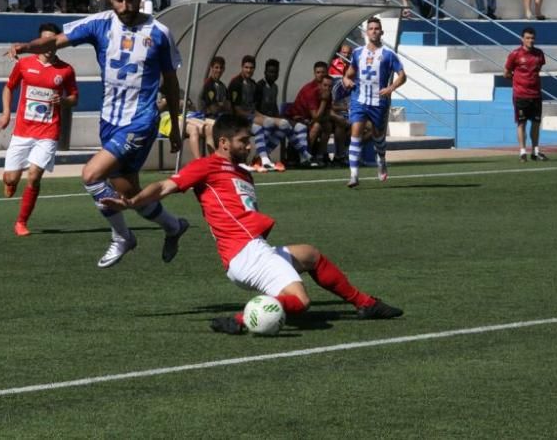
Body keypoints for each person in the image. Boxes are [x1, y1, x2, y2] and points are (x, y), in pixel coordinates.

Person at [104, 113, 404, 334]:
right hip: (246, 254)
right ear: (223, 142)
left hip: (253, 249)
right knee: (301, 301)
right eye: (243, 141)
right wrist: (133, 202)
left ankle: (364, 303)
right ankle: (242, 319)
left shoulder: (241, 171)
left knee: (310, 255)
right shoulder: (207, 166)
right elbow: (164, 187)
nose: (249, 146)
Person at [6, 0, 190, 269]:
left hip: (141, 120)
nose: (125, 6)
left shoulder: (159, 33)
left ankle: (122, 237)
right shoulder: (99, 23)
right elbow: (56, 42)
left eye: (131, 0)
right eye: (119, 0)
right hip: (110, 121)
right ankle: (173, 226)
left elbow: (170, 81)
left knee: (91, 175)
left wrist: (174, 126)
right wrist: (26, 47)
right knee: (130, 193)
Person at [0, 23, 79, 236]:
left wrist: (62, 100)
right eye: (45, 41)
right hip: (23, 131)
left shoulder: (66, 70)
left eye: (53, 41)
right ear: (38, 42)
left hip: (48, 132)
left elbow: (74, 98)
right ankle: (10, 182)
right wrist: (6, 113)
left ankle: (21, 222)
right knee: (11, 178)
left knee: (34, 176)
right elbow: (9, 87)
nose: (49, 46)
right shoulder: (25, 65)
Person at [340, 17, 407, 188]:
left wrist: (390, 88)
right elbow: (349, 74)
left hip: (379, 101)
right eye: (371, 28)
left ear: (382, 32)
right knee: (356, 131)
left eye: (377, 28)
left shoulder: (388, 54)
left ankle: (381, 158)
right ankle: (354, 175)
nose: (374, 31)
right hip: (359, 99)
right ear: (366, 32)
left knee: (378, 137)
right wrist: (346, 81)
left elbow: (402, 76)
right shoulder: (357, 53)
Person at [503, 27, 548, 163]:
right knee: (521, 123)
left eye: (532, 38)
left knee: (536, 123)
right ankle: (522, 152)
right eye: (527, 38)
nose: (530, 40)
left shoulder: (539, 54)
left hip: (536, 94)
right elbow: (506, 72)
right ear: (522, 39)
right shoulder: (515, 54)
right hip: (521, 94)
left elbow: (537, 69)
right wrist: (518, 81)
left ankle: (535, 151)